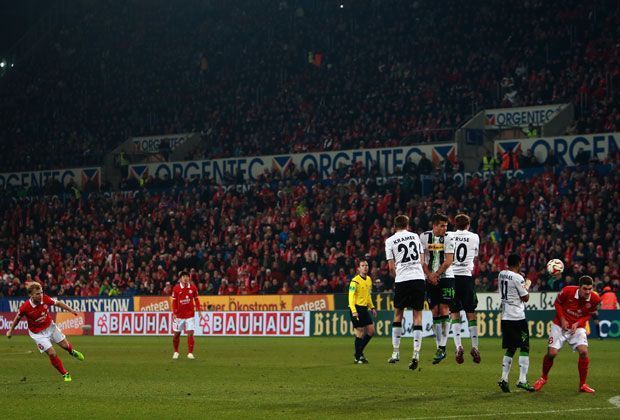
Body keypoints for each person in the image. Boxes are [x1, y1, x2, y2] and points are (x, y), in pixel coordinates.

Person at [533, 276, 601, 393]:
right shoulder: (567, 291)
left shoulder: (595, 298)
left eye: (590, 289)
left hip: (577, 327)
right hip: (560, 325)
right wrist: (563, 319)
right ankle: (543, 378)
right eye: (585, 289)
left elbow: (589, 314)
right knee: (552, 353)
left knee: (584, 352)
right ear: (579, 287)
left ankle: (582, 385)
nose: (588, 292)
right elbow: (557, 304)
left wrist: (578, 323)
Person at [5, 282, 85, 382]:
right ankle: (65, 374)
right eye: (37, 294)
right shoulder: (25, 307)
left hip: (50, 327)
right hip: (38, 334)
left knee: (65, 346)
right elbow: (17, 318)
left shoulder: (45, 299)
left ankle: (71, 352)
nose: (40, 295)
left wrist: (71, 310)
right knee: (52, 353)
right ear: (31, 295)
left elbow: (58, 303)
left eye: (41, 293)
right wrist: (10, 330)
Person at [384, 215, 427, 370]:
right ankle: (416, 353)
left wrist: (400, 276)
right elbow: (422, 261)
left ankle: (395, 352)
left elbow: (390, 267)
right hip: (418, 278)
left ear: (394, 226)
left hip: (402, 279)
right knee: (417, 315)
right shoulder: (415, 236)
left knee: (398, 314)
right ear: (407, 225)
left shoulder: (389, 241)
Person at [497, 254, 535, 392]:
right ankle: (522, 380)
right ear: (519, 263)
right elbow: (525, 298)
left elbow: (511, 280)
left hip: (506, 317)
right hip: (517, 318)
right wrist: (527, 285)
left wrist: (521, 279)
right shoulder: (518, 278)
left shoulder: (501, 274)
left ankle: (504, 378)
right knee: (524, 347)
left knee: (511, 348)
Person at [420, 213, 455, 364]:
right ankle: (439, 347)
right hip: (429, 278)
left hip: (446, 277)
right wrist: (429, 275)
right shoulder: (423, 237)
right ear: (434, 226)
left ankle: (442, 345)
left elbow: (448, 261)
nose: (445, 228)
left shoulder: (448, 238)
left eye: (446, 225)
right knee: (434, 310)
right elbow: (421, 260)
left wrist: (436, 275)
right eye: (442, 225)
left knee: (445, 309)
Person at [449, 213, 481, 364]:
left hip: (452, 278)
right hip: (467, 278)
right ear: (468, 225)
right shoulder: (475, 237)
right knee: (471, 313)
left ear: (455, 225)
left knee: (454, 313)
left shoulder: (449, 236)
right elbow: (474, 256)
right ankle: (474, 346)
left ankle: (458, 346)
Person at [348, 259, 377, 364]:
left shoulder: (369, 279)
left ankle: (359, 353)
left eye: (366, 265)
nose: (365, 267)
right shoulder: (354, 281)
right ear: (359, 268)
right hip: (355, 308)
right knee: (360, 332)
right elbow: (351, 297)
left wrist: (372, 307)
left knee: (371, 331)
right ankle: (358, 356)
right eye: (362, 265)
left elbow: (368, 296)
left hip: (364, 308)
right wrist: (354, 311)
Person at [172, 270, 201, 360]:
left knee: (190, 333)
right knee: (177, 334)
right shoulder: (176, 288)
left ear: (189, 278)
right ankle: (176, 351)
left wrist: (199, 310)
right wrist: (174, 312)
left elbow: (196, 299)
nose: (185, 278)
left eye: (187, 276)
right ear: (180, 278)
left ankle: (190, 353)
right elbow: (174, 301)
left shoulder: (193, 288)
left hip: (190, 315)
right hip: (179, 315)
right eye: (183, 276)